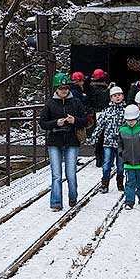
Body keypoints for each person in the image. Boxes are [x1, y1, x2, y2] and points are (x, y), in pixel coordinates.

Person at [39, 72, 88, 211]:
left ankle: (73, 196)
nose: (64, 90)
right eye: (61, 88)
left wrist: (75, 121)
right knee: (56, 174)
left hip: (72, 140)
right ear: (56, 89)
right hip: (55, 140)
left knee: (71, 173)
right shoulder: (49, 103)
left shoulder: (76, 102)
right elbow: (42, 123)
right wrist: (55, 123)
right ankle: (56, 202)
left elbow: (85, 120)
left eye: (66, 88)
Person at [89, 86, 126, 193]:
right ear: (111, 98)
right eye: (115, 96)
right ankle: (105, 183)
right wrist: (94, 137)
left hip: (121, 143)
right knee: (106, 164)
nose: (117, 97)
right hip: (108, 142)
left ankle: (120, 183)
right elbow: (100, 126)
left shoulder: (126, 111)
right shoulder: (106, 111)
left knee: (120, 166)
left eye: (119, 95)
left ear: (123, 96)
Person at [88, 69, 114, 167]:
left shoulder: (90, 88)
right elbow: (105, 100)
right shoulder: (104, 90)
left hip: (95, 114)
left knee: (98, 136)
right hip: (104, 113)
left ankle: (99, 158)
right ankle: (104, 158)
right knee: (104, 136)